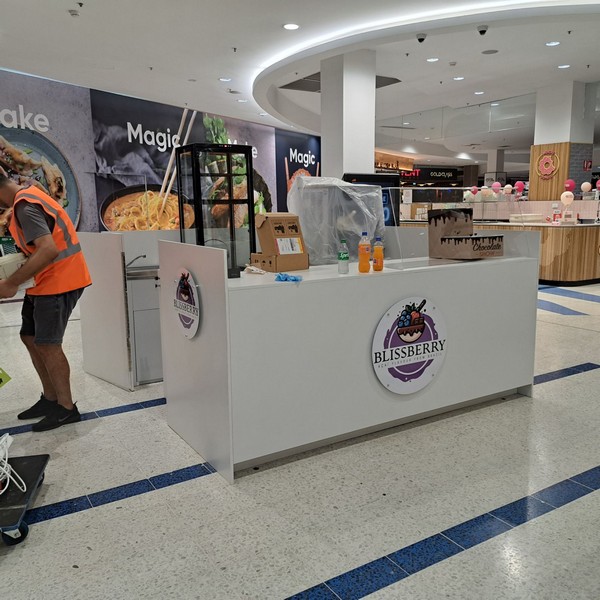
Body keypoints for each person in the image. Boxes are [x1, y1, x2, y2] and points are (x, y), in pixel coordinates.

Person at [0, 174, 92, 431]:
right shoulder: (28, 194)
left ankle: (66, 408)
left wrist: (12, 283)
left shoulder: (25, 205)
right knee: (29, 336)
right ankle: (50, 399)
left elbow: (48, 249)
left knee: (48, 345)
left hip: (59, 281)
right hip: (43, 282)